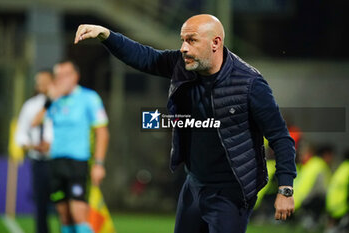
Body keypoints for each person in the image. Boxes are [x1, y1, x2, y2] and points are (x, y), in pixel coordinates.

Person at [74, 14, 297, 233]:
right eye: (182, 40)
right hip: (194, 185)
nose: (183, 48)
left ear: (215, 43)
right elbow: (145, 57)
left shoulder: (250, 84)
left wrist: (285, 188)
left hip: (231, 191)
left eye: (191, 40)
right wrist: (107, 35)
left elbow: (280, 137)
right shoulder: (182, 65)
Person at [43, 60, 109, 233]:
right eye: (58, 75)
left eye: (65, 75)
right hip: (56, 162)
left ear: (75, 77)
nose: (61, 79)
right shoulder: (53, 100)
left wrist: (99, 164)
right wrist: (50, 99)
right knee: (64, 215)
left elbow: (102, 132)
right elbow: (35, 122)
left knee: (78, 213)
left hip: (78, 163)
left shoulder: (89, 97)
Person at [15, 70, 54, 233]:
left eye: (46, 81)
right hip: (38, 161)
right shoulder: (30, 106)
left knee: (63, 205)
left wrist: (52, 145)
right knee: (41, 205)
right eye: (39, 82)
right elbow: (21, 134)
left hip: (58, 161)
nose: (42, 85)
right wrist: (33, 146)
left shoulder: (62, 102)